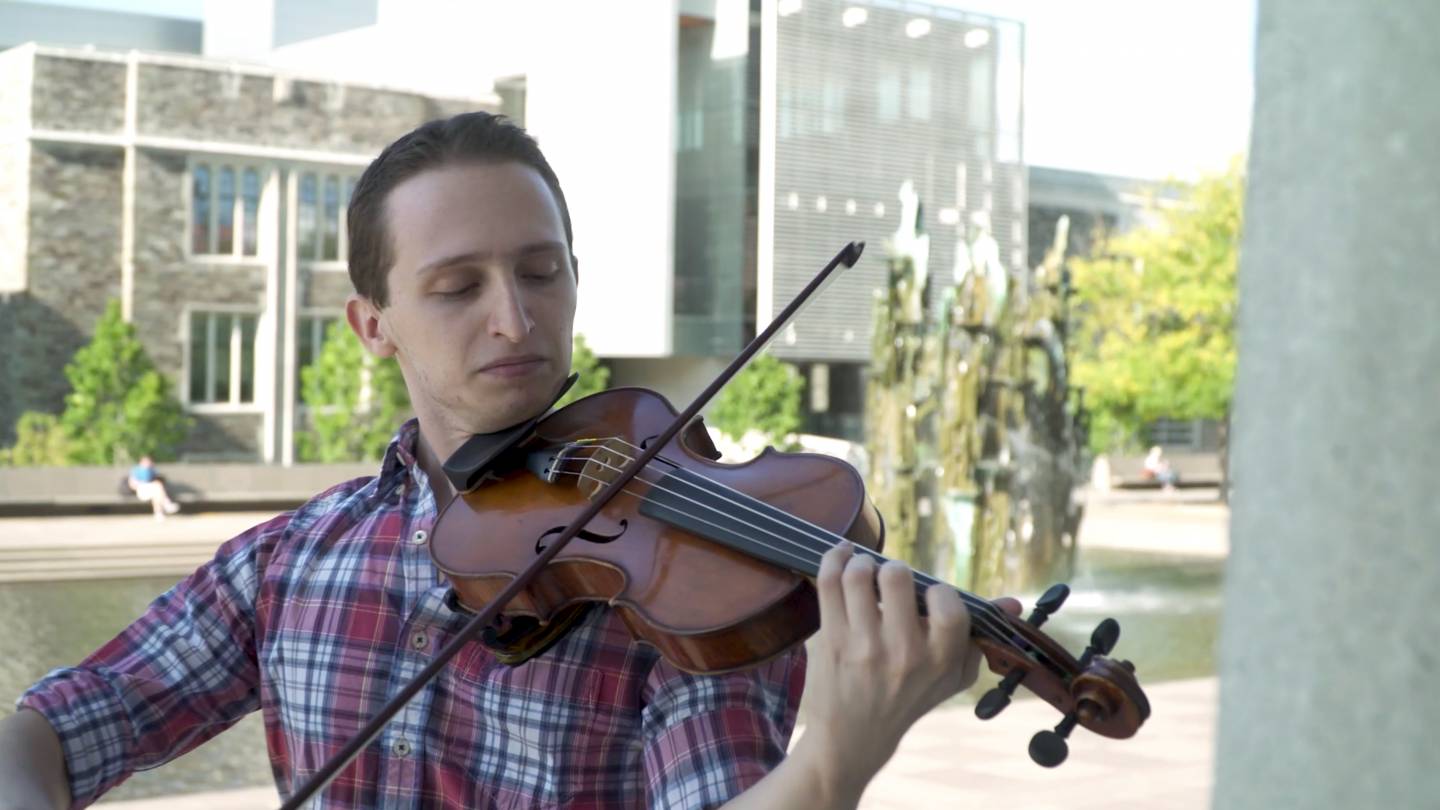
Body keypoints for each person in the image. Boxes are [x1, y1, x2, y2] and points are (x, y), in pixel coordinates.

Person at [0, 112, 1018, 809]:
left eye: (542, 271)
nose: (516, 317)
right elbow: (49, 729)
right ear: (373, 324)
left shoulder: (681, 588)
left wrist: (837, 759)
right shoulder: (283, 565)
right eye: (456, 287)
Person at [127, 455, 181, 519]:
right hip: (141, 490)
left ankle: (159, 513)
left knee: (156, 493)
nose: (148, 463)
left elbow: (158, 479)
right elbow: (132, 484)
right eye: (146, 461)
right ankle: (166, 504)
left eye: (149, 461)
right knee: (157, 486)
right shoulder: (136, 470)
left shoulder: (152, 470)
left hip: (153, 490)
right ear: (141, 462)